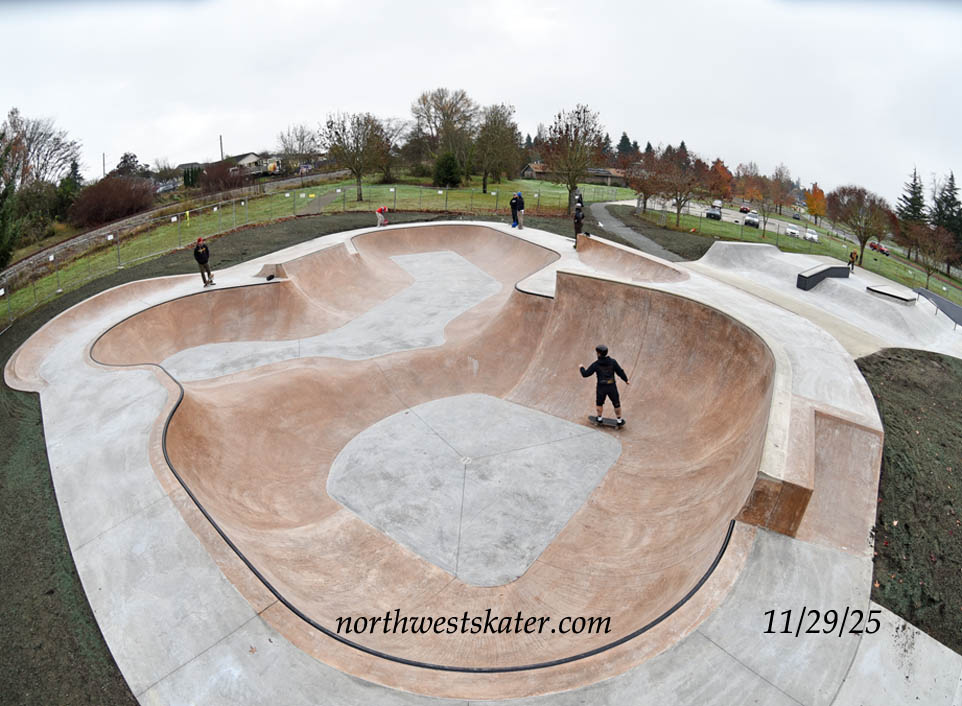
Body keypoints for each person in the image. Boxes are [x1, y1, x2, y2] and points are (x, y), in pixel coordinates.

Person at [580, 344, 629, 426]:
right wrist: (626, 380)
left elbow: (585, 374)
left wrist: (581, 367)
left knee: (599, 403)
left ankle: (599, 418)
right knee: (616, 403)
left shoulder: (596, 364)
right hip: (612, 386)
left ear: (598, 354)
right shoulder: (613, 362)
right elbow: (620, 372)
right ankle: (619, 420)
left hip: (601, 387)